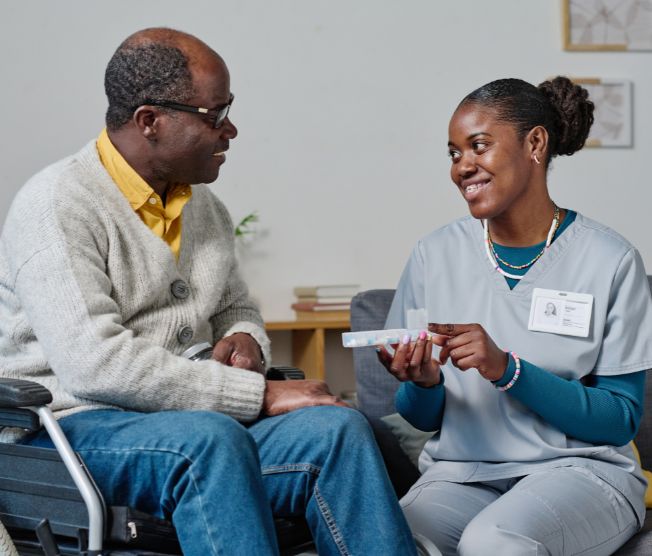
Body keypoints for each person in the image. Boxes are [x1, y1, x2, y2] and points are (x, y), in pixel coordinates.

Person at [0, 28, 417, 556]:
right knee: (209, 443)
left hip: (177, 425)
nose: (231, 130)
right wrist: (259, 393)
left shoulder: (203, 208)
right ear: (150, 121)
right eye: (214, 115)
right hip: (69, 430)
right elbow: (94, 365)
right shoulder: (57, 205)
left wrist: (246, 339)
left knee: (337, 430)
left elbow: (235, 306)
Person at [377, 77, 652, 555]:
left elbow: (619, 420)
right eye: (454, 153)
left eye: (478, 146)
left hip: (581, 473)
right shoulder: (433, 255)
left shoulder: (610, 260)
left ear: (535, 143)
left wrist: (508, 369)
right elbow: (421, 418)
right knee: (392, 538)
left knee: (495, 542)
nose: (463, 166)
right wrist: (423, 384)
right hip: (462, 473)